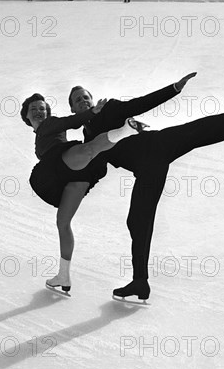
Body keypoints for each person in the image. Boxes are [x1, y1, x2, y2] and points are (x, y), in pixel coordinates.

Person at [58, 74, 224, 302]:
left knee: (195, 132)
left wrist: (174, 89)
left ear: (92, 100)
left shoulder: (109, 109)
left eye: (85, 97)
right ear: (73, 109)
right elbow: (95, 167)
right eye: (77, 100)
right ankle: (140, 282)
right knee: (137, 221)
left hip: (156, 144)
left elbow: (140, 103)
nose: (83, 101)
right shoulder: (87, 138)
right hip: (148, 170)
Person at [20, 93, 139, 292]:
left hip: (66, 160)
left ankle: (125, 131)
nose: (39, 112)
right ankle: (63, 275)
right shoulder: (40, 134)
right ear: (26, 117)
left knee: (89, 150)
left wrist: (92, 112)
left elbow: (69, 121)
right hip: (74, 176)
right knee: (62, 222)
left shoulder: (50, 124)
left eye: (42, 108)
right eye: (34, 109)